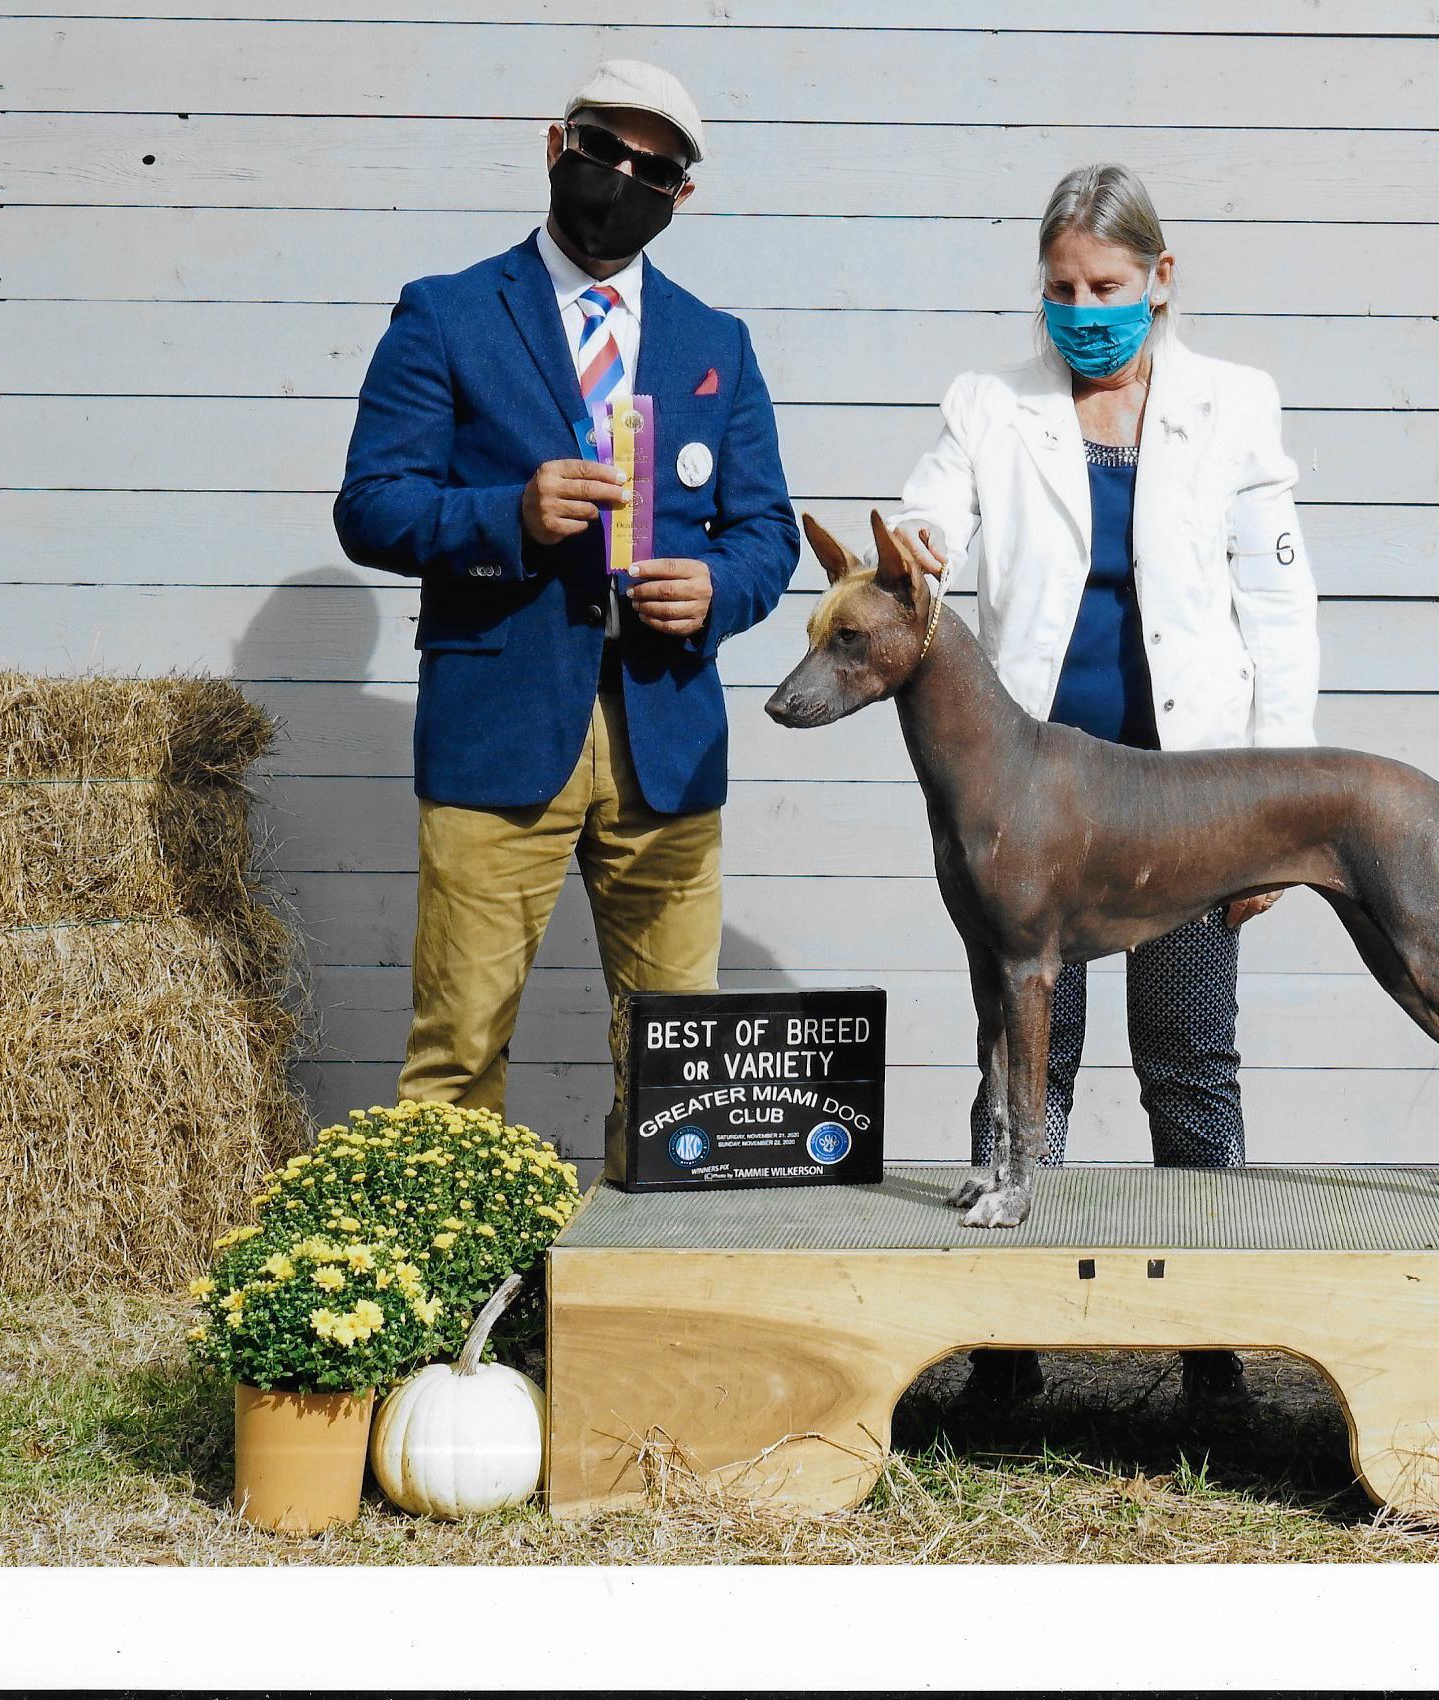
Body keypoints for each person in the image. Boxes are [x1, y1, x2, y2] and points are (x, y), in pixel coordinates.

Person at [879, 163, 1321, 1413]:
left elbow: (1277, 603)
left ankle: (1213, 1353)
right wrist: (917, 539)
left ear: (1159, 279)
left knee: (1188, 1058)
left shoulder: (1235, 402)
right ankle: (1006, 1346)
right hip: (1039, 795)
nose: (1082, 309)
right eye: (1061, 288)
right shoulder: (989, 402)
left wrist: (1279, 804)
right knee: (1026, 1052)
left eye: (1106, 285)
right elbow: (930, 514)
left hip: (1190, 798)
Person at [333, 61, 799, 1143]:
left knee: (682, 1068)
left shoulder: (716, 343)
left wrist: (719, 588)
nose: (623, 179)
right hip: (497, 729)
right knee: (457, 1054)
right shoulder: (447, 314)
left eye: (655, 169)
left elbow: (768, 532)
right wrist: (509, 516)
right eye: (603, 150)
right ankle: (453, 1254)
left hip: (667, 736)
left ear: (681, 196)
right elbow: (371, 506)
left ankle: (653, 1256)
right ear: (556, 146)